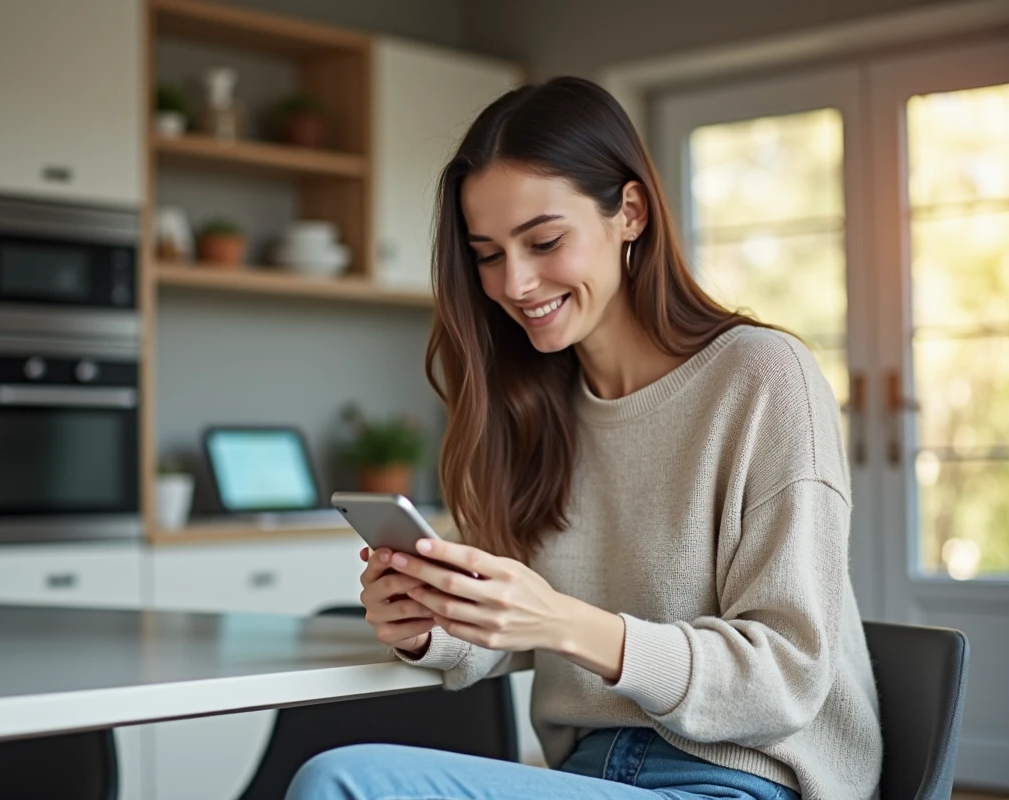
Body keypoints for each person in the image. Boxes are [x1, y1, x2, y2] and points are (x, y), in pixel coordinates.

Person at [287, 76, 881, 800]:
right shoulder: (533, 405)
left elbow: (786, 678)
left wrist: (563, 623)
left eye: (544, 241)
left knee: (343, 783)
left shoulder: (763, 378)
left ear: (629, 212)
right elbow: (506, 622)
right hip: (588, 774)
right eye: (488, 254)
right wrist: (427, 623)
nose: (515, 283)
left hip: (740, 781)